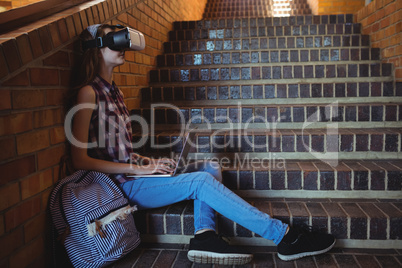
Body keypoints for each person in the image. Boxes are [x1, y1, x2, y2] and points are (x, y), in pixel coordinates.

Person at [67, 24, 336, 265]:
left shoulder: (116, 92)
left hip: (132, 176)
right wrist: (139, 169)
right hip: (117, 188)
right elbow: (80, 160)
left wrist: (148, 162)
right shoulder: (88, 92)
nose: (122, 46)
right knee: (200, 182)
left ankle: (205, 236)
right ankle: (284, 236)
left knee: (210, 166)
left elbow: (118, 149)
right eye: (113, 40)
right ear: (96, 49)